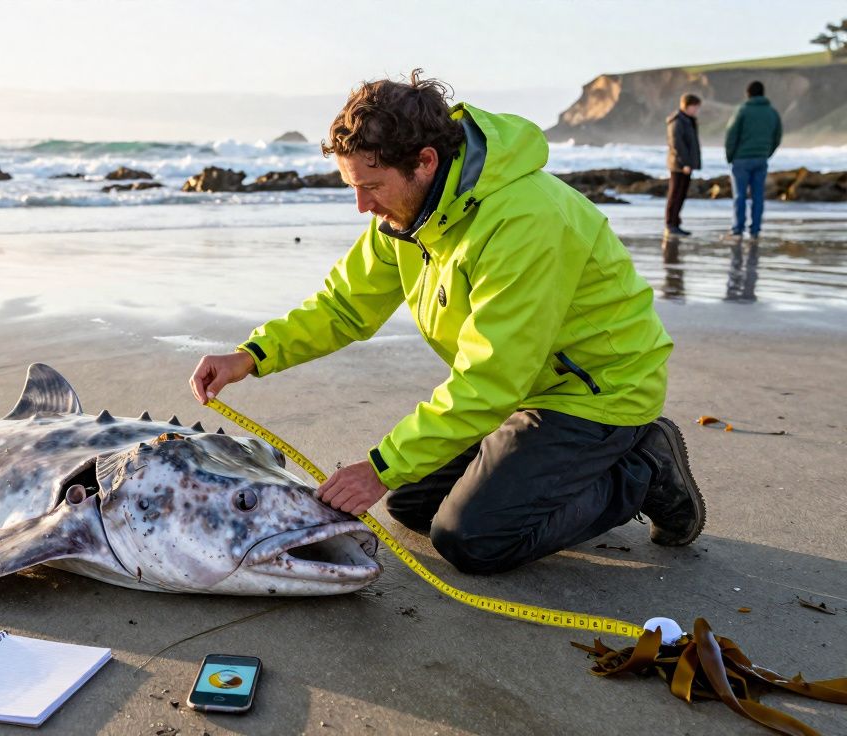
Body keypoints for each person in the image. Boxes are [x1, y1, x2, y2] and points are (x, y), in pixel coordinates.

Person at [189, 72, 706, 575]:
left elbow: (492, 376)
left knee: (472, 540)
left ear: (425, 162)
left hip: (599, 391)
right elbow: (343, 307)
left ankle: (644, 468)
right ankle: (545, 471)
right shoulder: (404, 217)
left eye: (370, 186)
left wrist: (379, 467)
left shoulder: (524, 221)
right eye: (353, 187)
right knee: (411, 506)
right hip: (525, 388)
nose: (361, 206)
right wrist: (251, 356)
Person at [725, 81, 782, 238]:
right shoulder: (772, 112)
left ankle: (738, 229)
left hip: (741, 159)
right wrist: (767, 153)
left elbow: (731, 135)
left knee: (740, 195)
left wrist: (730, 156)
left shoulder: (742, 110)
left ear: (748, 93)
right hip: (761, 158)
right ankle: (755, 229)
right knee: (758, 196)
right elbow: (777, 137)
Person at [665, 94, 702, 236]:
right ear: (687, 105)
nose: (696, 110)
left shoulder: (689, 120)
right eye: (695, 107)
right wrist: (685, 163)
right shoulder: (677, 121)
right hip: (678, 165)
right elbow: (676, 144)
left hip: (685, 164)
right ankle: (670, 224)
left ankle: (675, 223)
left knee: (681, 194)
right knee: (675, 194)